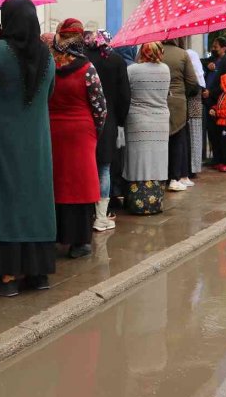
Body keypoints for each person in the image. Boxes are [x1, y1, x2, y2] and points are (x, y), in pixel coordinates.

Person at [0, 0, 56, 297]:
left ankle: (7, 275)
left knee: (5, 198)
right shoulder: (47, 56)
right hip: (37, 142)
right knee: (36, 200)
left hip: (3, 140)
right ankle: (38, 274)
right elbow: (50, 93)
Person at [48, 19, 107, 258]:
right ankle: (79, 242)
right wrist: (96, 131)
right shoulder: (87, 69)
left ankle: (57, 234)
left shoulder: (50, 66)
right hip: (82, 132)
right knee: (81, 185)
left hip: (53, 130)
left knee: (58, 182)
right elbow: (100, 107)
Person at [85, 29, 130, 232]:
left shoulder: (84, 60)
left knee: (86, 166)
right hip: (109, 121)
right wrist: (120, 120)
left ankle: (85, 212)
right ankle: (101, 215)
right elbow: (124, 96)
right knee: (104, 168)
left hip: (85, 120)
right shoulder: (117, 61)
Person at [123, 42, 170, 215]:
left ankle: (137, 202)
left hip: (138, 120)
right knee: (157, 158)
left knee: (137, 158)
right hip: (160, 121)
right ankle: (155, 202)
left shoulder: (132, 70)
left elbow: (127, 93)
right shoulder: (165, 69)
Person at [162, 39, 200, 191]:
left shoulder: (151, 51)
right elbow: (192, 82)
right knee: (177, 139)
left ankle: (161, 176)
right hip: (178, 102)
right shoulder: (182, 54)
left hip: (157, 100)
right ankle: (174, 178)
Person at [202, 38, 226, 164]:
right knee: (212, 131)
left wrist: (211, 92)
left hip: (220, 103)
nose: (213, 49)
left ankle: (223, 159)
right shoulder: (214, 60)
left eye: (216, 47)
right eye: (213, 46)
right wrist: (207, 65)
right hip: (210, 101)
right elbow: (201, 61)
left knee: (219, 132)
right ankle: (216, 158)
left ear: (224, 48)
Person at [185, 46, 207, 180]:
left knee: (192, 139)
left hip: (191, 111)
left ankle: (192, 168)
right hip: (196, 112)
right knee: (196, 139)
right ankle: (194, 167)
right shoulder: (199, 74)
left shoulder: (192, 75)